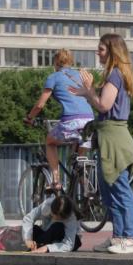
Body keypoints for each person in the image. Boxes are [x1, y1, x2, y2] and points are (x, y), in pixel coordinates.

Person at [70, 33, 133, 254]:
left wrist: (90, 91)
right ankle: (118, 237)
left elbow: (103, 105)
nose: (97, 52)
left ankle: (130, 238)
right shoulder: (115, 75)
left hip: (114, 139)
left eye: (100, 49)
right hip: (109, 137)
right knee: (110, 191)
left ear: (112, 52)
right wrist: (87, 92)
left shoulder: (115, 75)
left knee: (120, 189)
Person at [25, 48, 94, 188]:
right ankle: (88, 193)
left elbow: (40, 105)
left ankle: (56, 181)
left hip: (71, 121)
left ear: (56, 62)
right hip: (90, 121)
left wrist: (29, 118)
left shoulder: (54, 77)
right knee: (78, 162)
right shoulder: (81, 76)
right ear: (70, 61)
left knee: (50, 142)